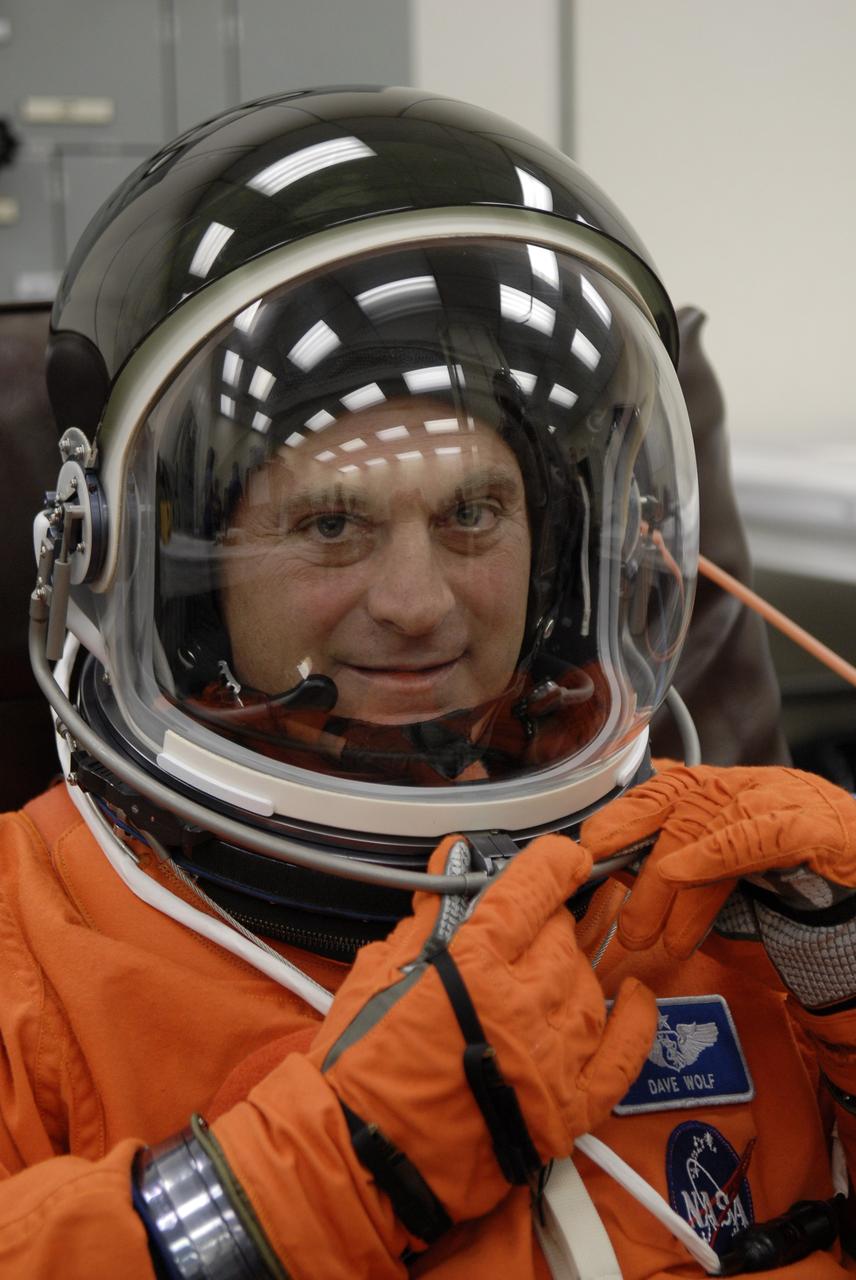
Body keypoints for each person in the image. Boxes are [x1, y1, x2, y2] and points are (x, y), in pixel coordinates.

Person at [6, 85, 856, 1279]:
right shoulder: (36, 941)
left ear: (555, 547)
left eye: (471, 512)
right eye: (331, 523)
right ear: (177, 570)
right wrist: (328, 1170)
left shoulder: (738, 909)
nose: (417, 602)